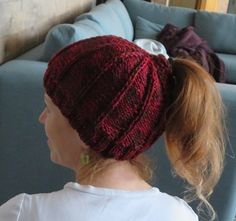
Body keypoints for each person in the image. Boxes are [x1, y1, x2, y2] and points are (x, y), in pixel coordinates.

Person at [0, 35, 225, 221]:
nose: (41, 118)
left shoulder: (23, 213)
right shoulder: (179, 216)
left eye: (49, 109)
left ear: (84, 130)